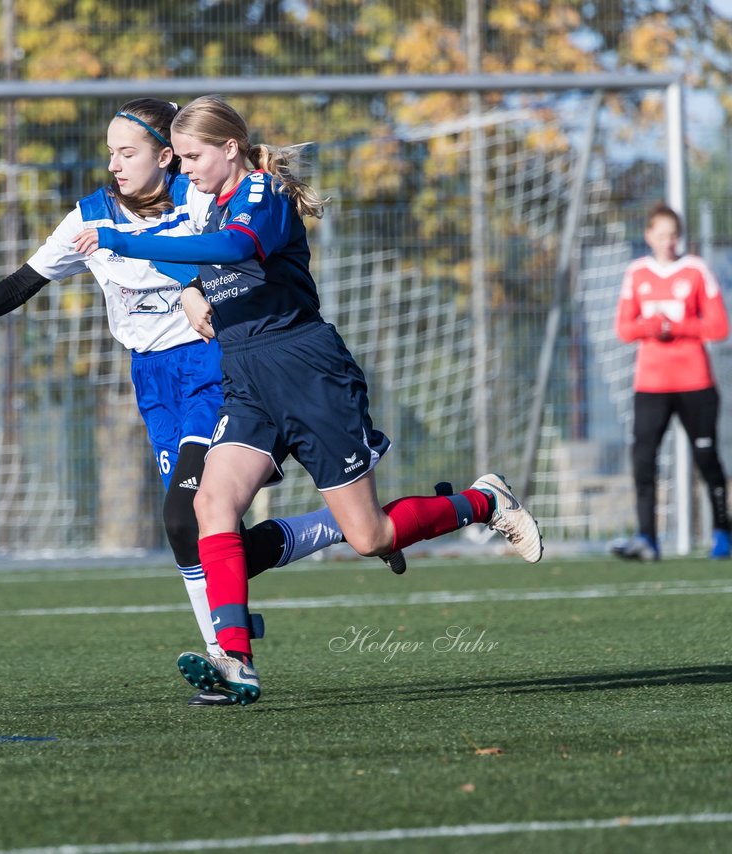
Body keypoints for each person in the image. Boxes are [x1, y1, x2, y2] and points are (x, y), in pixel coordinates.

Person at [0, 98, 401, 708]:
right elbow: (21, 283)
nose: (113, 163)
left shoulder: (202, 199)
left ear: (166, 156)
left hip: (212, 370)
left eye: (127, 152)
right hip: (153, 382)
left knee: (182, 515)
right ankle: (325, 549)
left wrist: (194, 291)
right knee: (207, 537)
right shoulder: (88, 217)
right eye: (108, 152)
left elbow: (233, 248)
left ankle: (232, 653)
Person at [73, 95, 543, 705]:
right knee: (210, 506)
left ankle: (482, 502)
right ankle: (236, 661)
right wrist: (189, 290)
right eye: (181, 157)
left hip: (304, 371)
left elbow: (234, 250)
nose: (184, 168)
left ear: (229, 149)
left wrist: (126, 242)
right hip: (245, 376)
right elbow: (199, 260)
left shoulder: (259, 195)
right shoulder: (204, 201)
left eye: (193, 156)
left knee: (370, 536)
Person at [610, 202, 730, 562]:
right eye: (661, 235)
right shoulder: (637, 273)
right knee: (643, 459)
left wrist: (675, 326)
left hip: (695, 382)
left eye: (673, 235)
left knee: (706, 458)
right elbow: (624, 328)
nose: (667, 242)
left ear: (680, 237)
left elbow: (719, 326)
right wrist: (651, 326)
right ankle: (647, 538)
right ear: (649, 236)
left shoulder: (695, 270)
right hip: (651, 385)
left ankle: (722, 533)